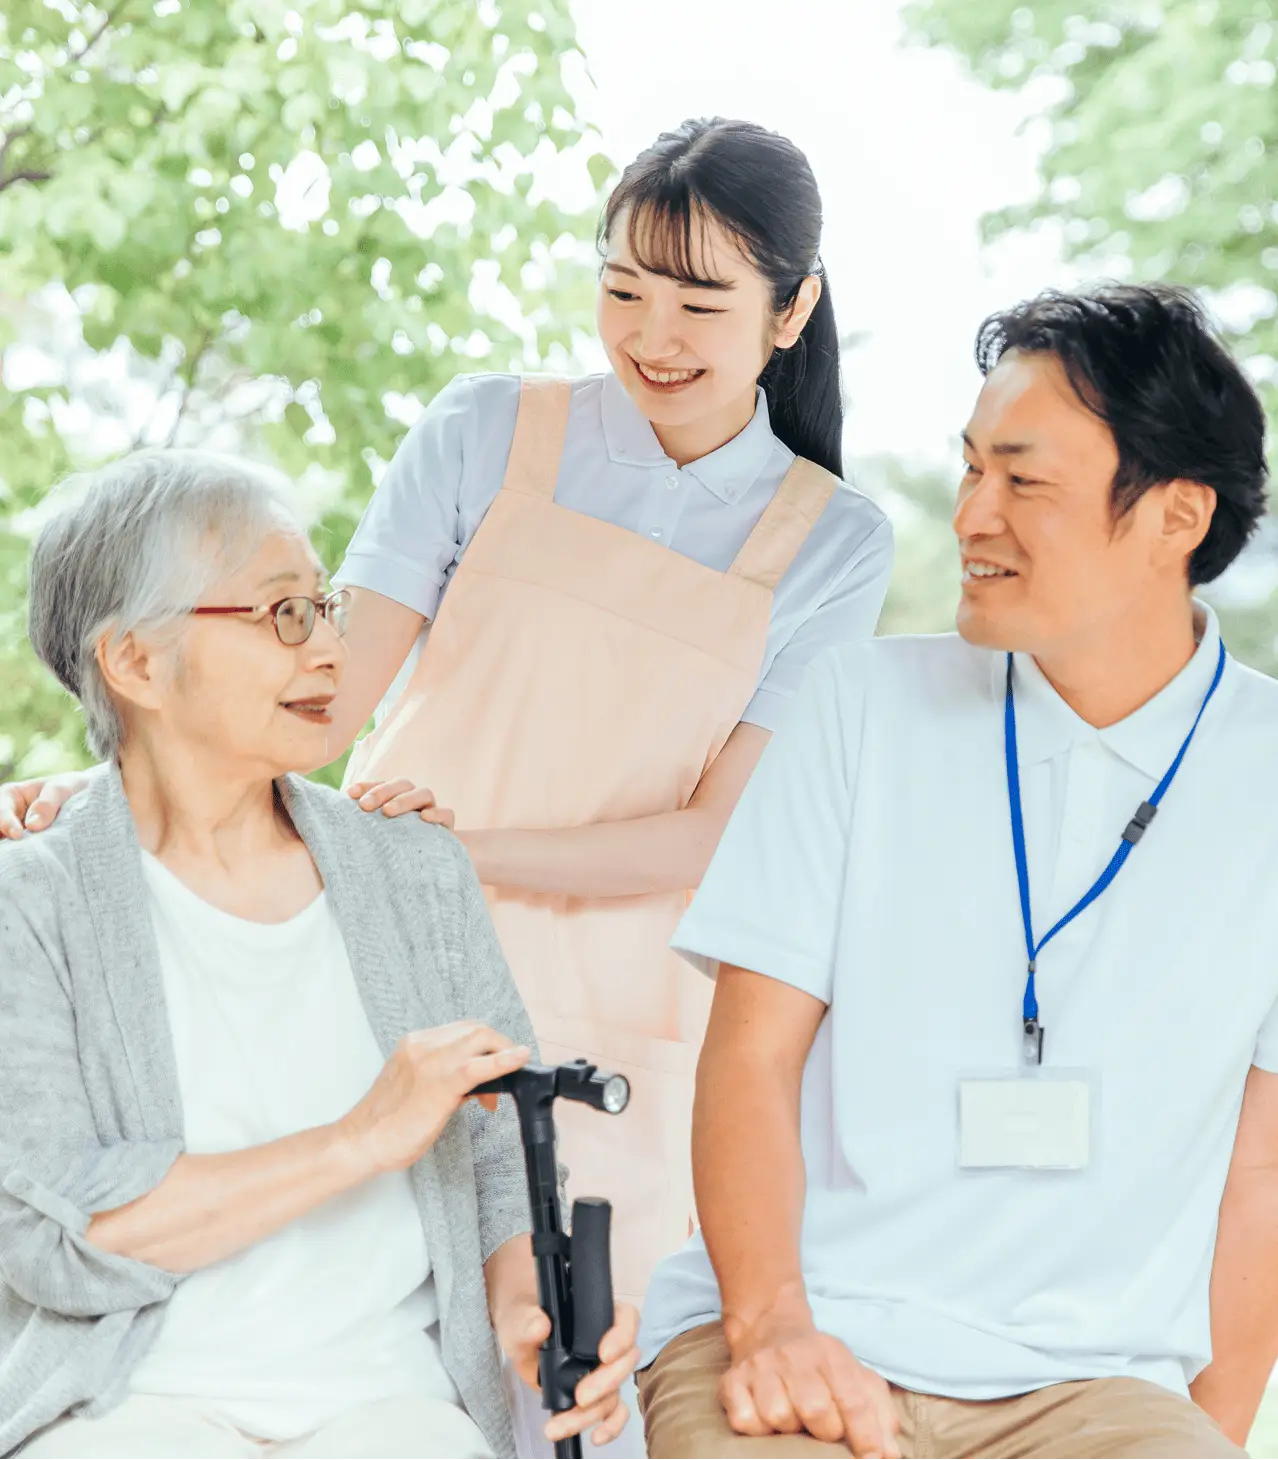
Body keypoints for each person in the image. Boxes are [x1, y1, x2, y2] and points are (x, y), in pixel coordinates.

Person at [0, 118, 893, 1325]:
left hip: (626, 999)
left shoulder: (832, 539)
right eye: (622, 289)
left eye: (700, 304)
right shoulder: (489, 430)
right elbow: (311, 701)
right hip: (377, 942)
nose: (651, 337)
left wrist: (455, 854)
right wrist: (109, 792)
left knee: (567, 1348)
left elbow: (712, 833)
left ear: (791, 312)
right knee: (352, 1308)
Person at [634, 284, 1278, 1460]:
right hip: (809, 1327)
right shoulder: (860, 705)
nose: (971, 515)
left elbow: (1264, 1162)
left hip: (1098, 1385)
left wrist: (1207, 1434)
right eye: (970, 468)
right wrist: (772, 1322)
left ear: (1177, 515)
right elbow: (752, 1056)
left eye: (1022, 481)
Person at [0, 450, 638, 1460]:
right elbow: (57, 1234)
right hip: (127, 1412)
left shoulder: (416, 870)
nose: (332, 648)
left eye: (326, 605)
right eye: (282, 612)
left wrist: (531, 1313)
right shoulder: (30, 898)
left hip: (393, 1410)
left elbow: (496, 1156)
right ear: (134, 662)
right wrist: (358, 1138)